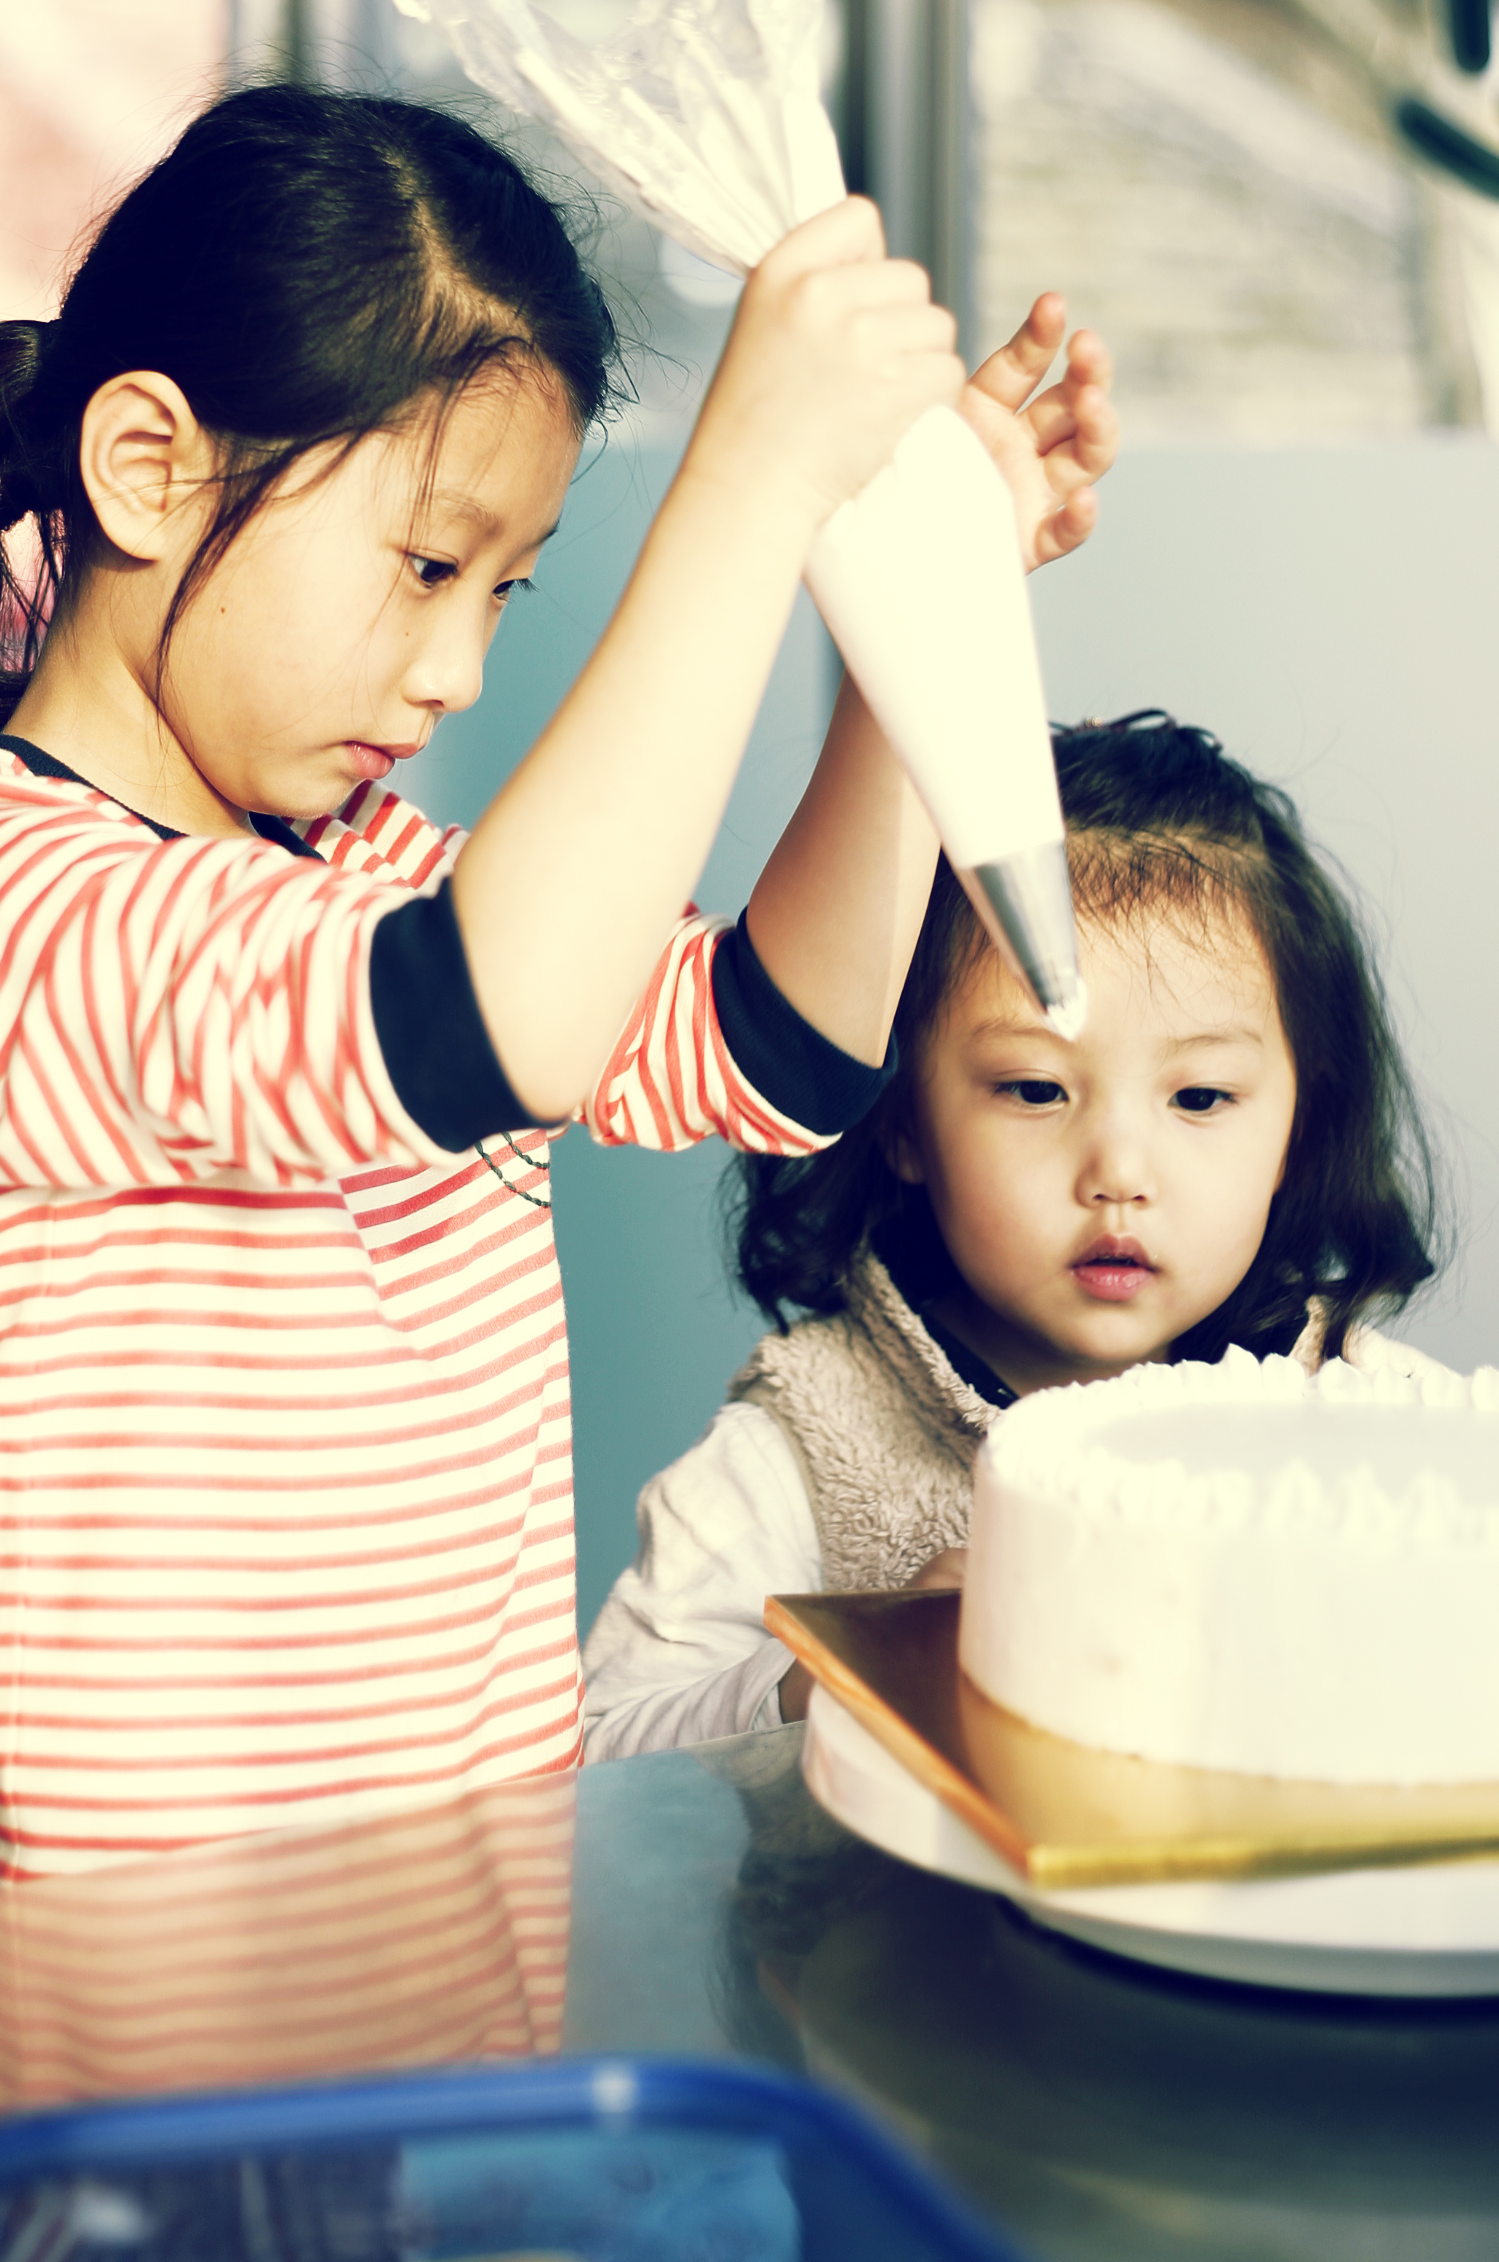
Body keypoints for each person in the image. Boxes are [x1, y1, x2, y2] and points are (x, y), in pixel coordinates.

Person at [0, 82, 1116, 1898]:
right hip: (114, 1998)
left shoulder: (382, 869)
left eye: (503, 589)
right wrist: (748, 484)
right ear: (147, 468)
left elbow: (779, 1045)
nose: (458, 669)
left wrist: (920, 613)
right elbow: (483, 1015)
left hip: (449, 1950)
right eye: (428, 565)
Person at [582, 712, 1447, 1759]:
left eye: (1200, 1098)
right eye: (1036, 1089)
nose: (1119, 1173)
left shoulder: (1371, 1418)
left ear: (1298, 1131)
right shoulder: (801, 1447)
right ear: (903, 1119)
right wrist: (851, 1666)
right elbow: (603, 1756)